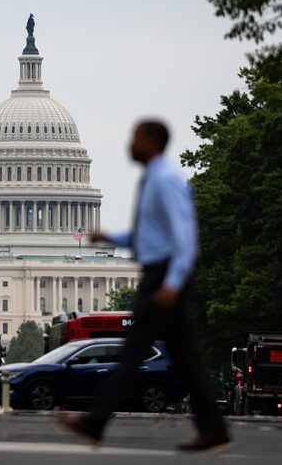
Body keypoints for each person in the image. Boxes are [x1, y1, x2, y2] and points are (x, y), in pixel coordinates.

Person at [60, 120, 231, 453]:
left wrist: (172, 282)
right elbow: (148, 235)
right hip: (160, 271)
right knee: (185, 357)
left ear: (152, 142)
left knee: (135, 350)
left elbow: (184, 238)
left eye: (135, 138)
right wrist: (111, 237)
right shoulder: (153, 178)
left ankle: (95, 421)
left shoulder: (165, 180)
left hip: (165, 274)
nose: (129, 144)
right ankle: (214, 429)